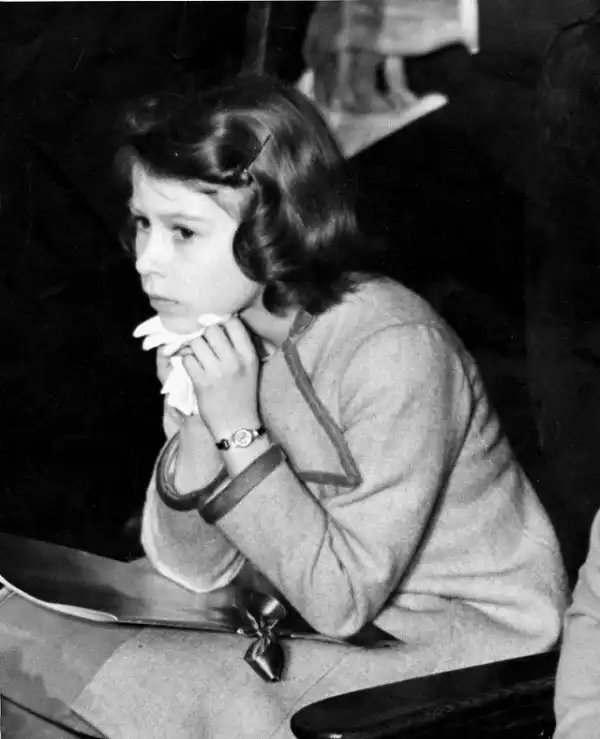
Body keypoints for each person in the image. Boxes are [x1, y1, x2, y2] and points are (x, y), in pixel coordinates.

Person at [69, 74, 566, 738]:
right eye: (142, 223)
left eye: (183, 231)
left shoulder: (393, 346)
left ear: (274, 227)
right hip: (326, 621)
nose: (147, 261)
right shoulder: (230, 334)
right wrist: (197, 422)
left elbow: (341, 600)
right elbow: (192, 568)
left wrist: (238, 430)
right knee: (46, 640)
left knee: (148, 680)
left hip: (467, 648)